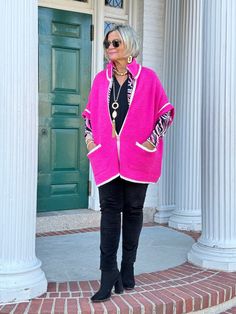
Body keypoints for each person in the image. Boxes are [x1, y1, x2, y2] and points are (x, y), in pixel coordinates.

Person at [82, 24, 174, 302]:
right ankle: (108, 272)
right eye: (107, 44)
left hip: (138, 156)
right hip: (107, 157)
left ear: (129, 46)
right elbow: (88, 115)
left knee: (133, 211)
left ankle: (128, 266)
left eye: (115, 43)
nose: (110, 48)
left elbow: (165, 113)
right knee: (109, 212)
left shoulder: (149, 78)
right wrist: (90, 141)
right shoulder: (101, 80)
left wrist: (150, 140)